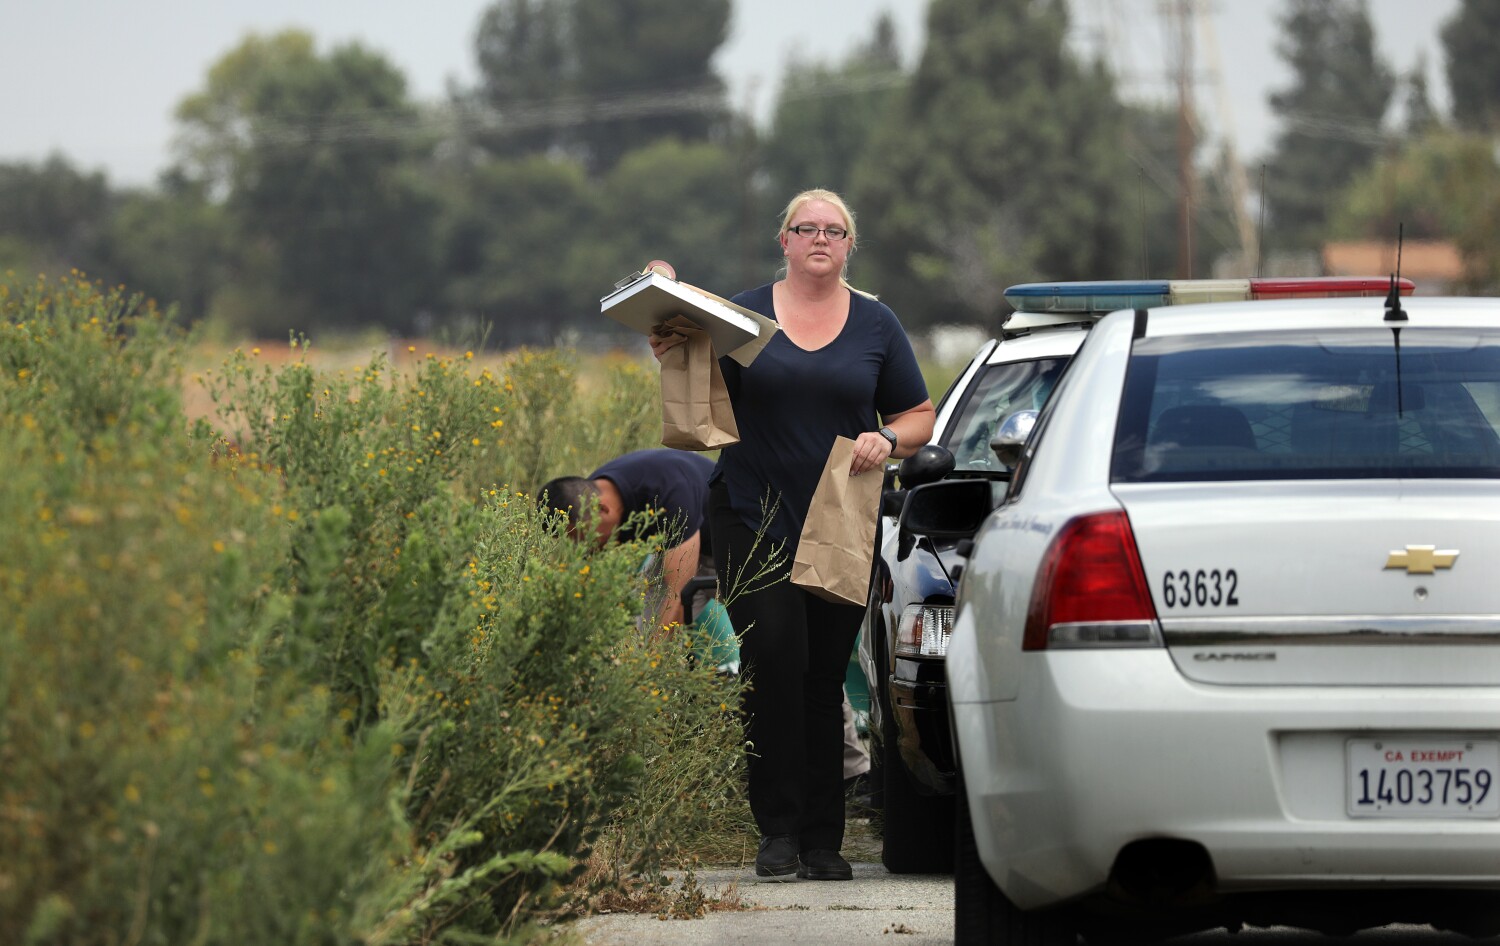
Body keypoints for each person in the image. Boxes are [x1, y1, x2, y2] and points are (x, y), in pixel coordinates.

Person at [646, 189, 935, 882]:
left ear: (848, 246)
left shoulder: (876, 324)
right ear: (784, 240)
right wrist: (669, 336)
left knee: (821, 674)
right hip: (751, 510)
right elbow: (697, 397)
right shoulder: (741, 316)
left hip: (839, 515)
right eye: (806, 228)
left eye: (834, 231)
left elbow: (919, 414)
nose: (820, 239)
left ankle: (822, 838)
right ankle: (775, 829)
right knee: (774, 659)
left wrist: (888, 437)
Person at [538, 448, 715, 629]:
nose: (584, 547)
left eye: (584, 538)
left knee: (743, 627)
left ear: (603, 509)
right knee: (647, 629)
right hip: (679, 543)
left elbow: (680, 593)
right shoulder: (587, 496)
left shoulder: (669, 494)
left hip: (732, 547)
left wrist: (653, 656)